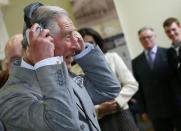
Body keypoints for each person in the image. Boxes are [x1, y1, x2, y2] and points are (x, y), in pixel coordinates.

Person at [0, 2, 121, 131]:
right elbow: (65, 126)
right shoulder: (11, 97)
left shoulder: (64, 77)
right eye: (68, 36)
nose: (76, 45)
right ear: (37, 39)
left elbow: (108, 89)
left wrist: (84, 51)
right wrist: (46, 62)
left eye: (74, 34)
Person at [77, 27, 139, 131]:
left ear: (97, 43)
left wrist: (117, 102)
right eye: (83, 44)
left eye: (91, 42)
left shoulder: (112, 57)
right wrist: (99, 110)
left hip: (121, 114)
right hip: (99, 121)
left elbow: (132, 84)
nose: (87, 46)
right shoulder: (76, 68)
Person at [132, 27, 175, 131]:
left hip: (175, 106)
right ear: (140, 41)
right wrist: (143, 111)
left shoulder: (169, 53)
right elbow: (139, 88)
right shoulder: (136, 62)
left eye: (149, 36)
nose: (146, 40)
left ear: (155, 37)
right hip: (155, 111)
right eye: (143, 38)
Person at [163, 17, 181, 130]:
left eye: (174, 29)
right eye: (168, 31)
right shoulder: (169, 52)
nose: (172, 33)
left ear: (179, 26)